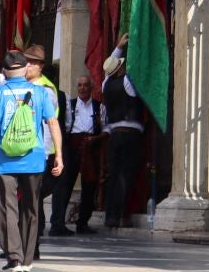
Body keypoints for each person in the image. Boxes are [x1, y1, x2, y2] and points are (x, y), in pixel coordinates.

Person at [0, 50, 61, 272]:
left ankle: (14, 258)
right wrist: (59, 155)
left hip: (1, 160)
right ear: (26, 69)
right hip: (33, 158)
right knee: (31, 208)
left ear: (4, 72)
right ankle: (27, 259)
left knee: (6, 209)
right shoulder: (40, 92)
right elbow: (52, 123)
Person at [101, 42, 147, 229]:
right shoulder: (127, 81)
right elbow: (136, 71)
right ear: (120, 70)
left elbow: (109, 68)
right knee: (126, 175)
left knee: (113, 175)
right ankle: (121, 214)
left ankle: (110, 215)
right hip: (130, 134)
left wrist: (119, 47)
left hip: (114, 135)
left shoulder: (106, 84)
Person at [51, 74, 103, 237]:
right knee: (64, 185)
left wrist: (95, 139)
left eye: (85, 85)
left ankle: (83, 223)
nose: (82, 88)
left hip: (91, 147)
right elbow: (66, 125)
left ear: (91, 87)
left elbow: (105, 127)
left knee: (89, 186)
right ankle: (57, 223)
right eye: (79, 85)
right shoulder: (70, 104)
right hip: (72, 146)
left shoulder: (99, 106)